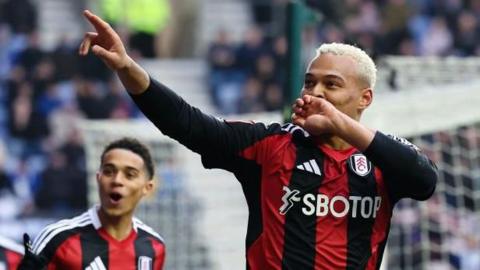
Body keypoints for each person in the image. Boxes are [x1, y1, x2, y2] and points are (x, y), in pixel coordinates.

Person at [79, 10, 437, 269]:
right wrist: (127, 68)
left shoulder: (384, 158)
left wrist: (342, 125)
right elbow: (188, 124)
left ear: (365, 99)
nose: (316, 92)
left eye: (332, 84)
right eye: (310, 82)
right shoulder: (270, 145)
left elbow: (424, 181)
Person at [19, 138, 166, 269]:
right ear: (98, 178)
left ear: (147, 188)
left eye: (130, 175)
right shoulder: (57, 238)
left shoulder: (154, 247)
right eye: (109, 172)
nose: (117, 181)